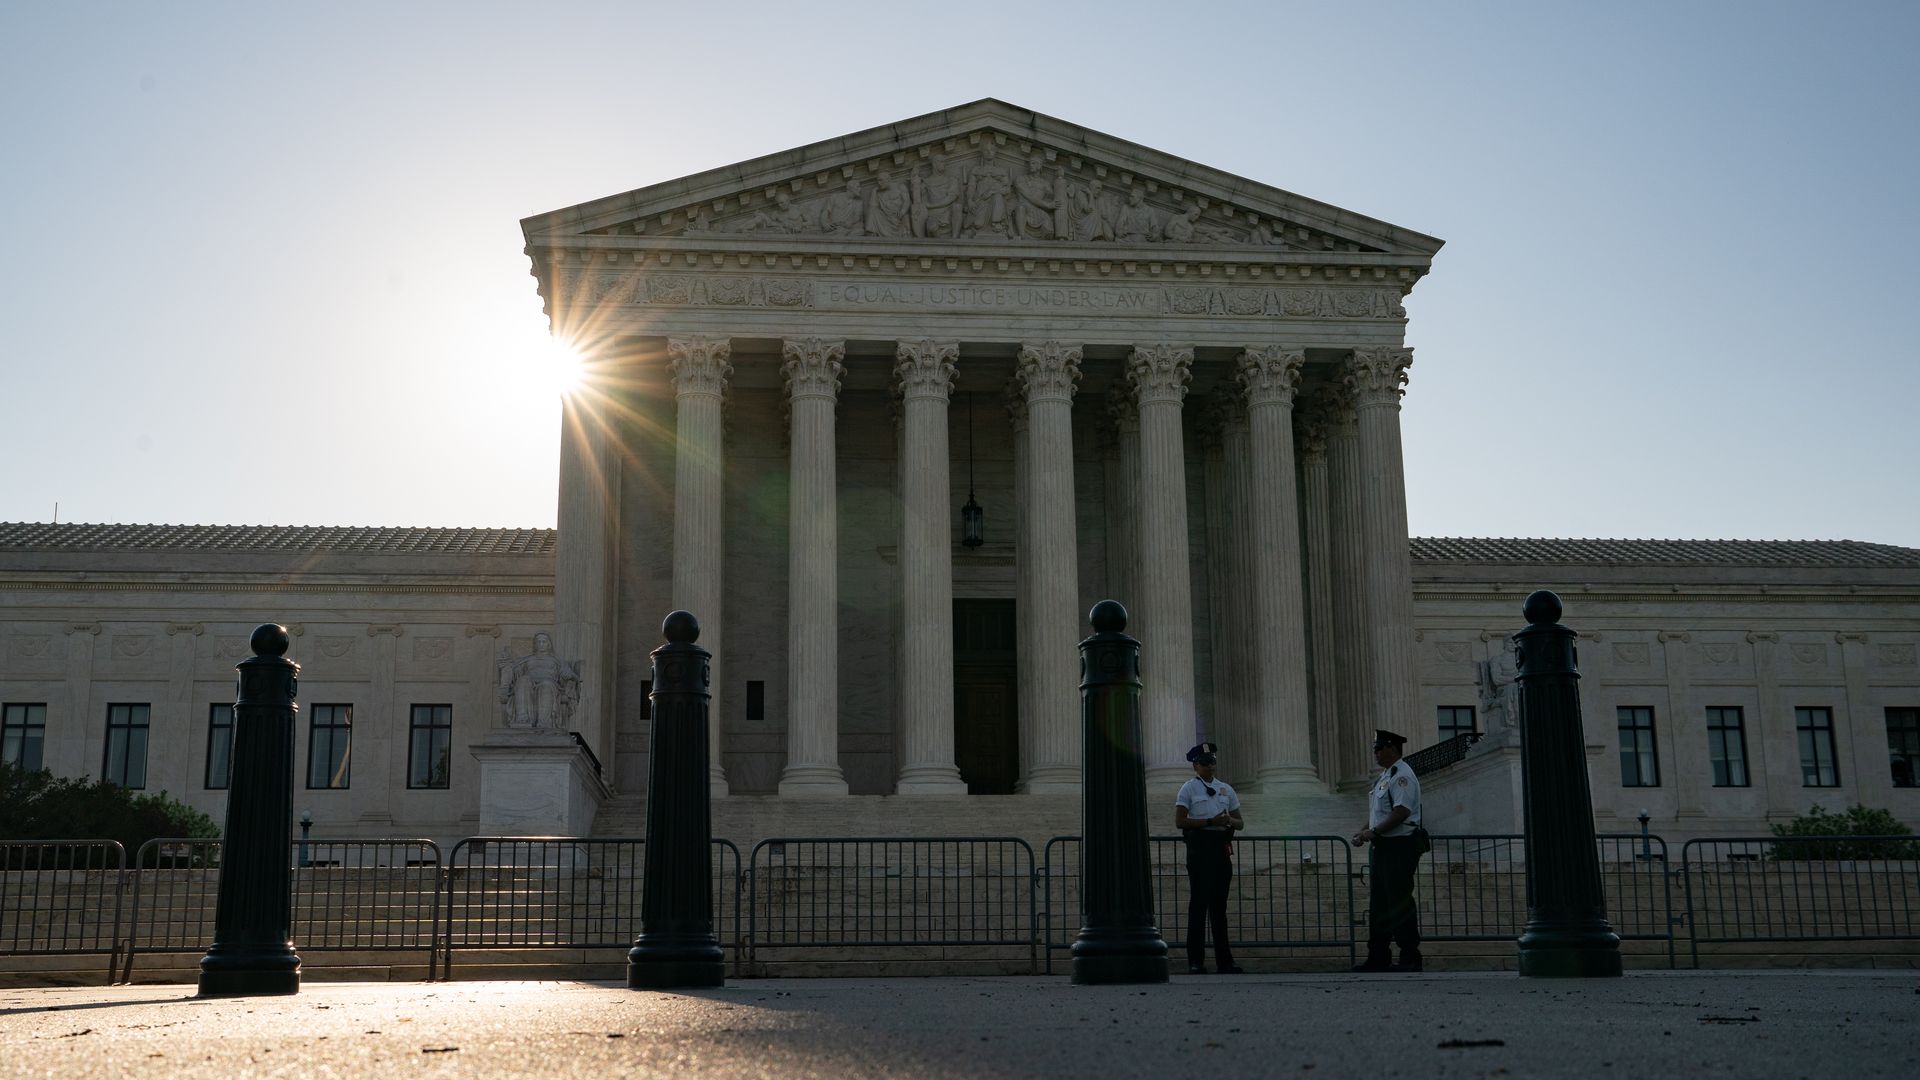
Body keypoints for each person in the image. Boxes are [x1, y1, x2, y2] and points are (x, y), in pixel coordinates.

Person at [1351, 729, 1424, 972]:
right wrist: (1364, 830)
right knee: (1380, 904)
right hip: (1383, 846)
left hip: (1399, 846)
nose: (1375, 752)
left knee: (1399, 902)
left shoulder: (1402, 775)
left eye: (1379, 748)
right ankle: (1378, 956)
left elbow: (1401, 811)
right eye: (1375, 748)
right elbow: (1379, 814)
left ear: (1393, 749)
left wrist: (1374, 832)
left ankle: (1410, 956)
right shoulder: (1384, 777)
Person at [1175, 741, 1244, 975]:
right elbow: (1180, 821)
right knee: (1198, 906)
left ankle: (1225, 961)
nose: (1210, 766)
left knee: (1219, 908)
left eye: (1212, 761)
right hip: (1199, 847)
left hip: (1220, 847)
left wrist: (1228, 821)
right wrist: (1209, 822)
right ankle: (1196, 961)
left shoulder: (1226, 789)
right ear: (1196, 765)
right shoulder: (1188, 789)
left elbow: (1240, 822)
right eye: (1205, 763)